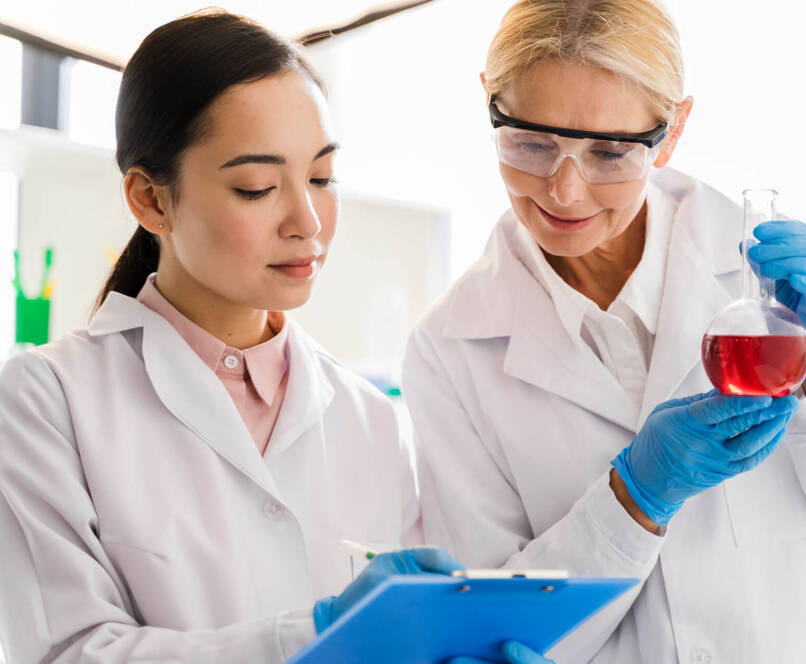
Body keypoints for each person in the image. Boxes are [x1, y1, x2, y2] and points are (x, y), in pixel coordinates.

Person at [0, 11, 549, 664]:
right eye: (256, 187)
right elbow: (69, 652)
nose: (307, 221)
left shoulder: (369, 418)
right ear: (151, 200)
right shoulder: (46, 403)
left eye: (321, 177)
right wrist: (317, 633)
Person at [402, 1, 806, 662]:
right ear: (488, 100)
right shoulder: (450, 349)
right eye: (532, 144)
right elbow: (490, 631)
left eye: (609, 152)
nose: (565, 190)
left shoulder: (782, 289)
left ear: (674, 130)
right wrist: (634, 498)